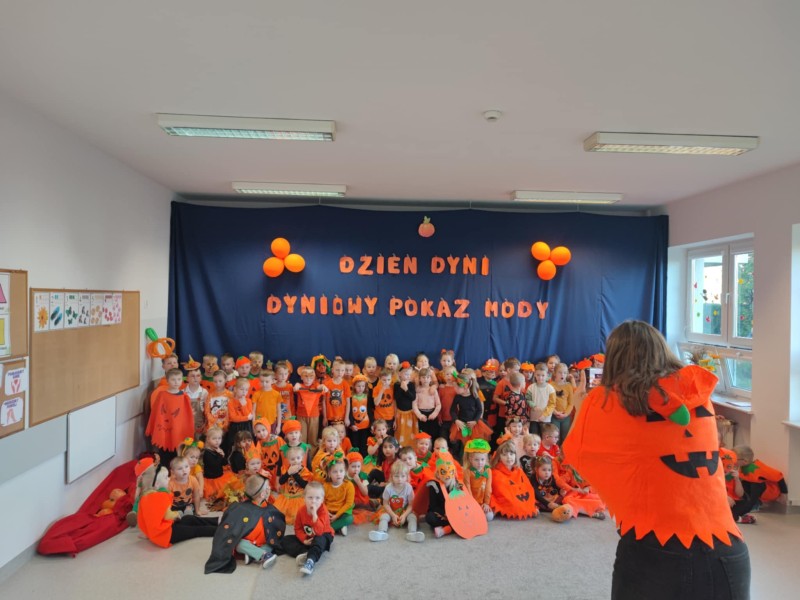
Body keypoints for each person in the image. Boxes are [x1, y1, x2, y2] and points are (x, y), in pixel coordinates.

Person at [563, 320, 750, 599]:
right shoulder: (699, 397)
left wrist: (581, 405)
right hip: (728, 548)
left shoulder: (607, 400)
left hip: (657, 547)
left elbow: (576, 454)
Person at [204, 474, 285, 573]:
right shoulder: (241, 509)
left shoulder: (269, 508)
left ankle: (252, 555)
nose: (270, 489)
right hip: (247, 542)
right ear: (263, 494)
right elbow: (229, 532)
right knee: (238, 544)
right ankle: (264, 555)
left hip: (264, 543)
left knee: (273, 543)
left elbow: (277, 527)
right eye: (268, 487)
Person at [136, 463, 218, 547]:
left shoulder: (144, 497)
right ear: (157, 484)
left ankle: (217, 522)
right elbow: (169, 515)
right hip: (167, 534)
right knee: (195, 530)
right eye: (166, 477)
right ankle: (219, 528)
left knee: (188, 518)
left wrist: (148, 534)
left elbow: (142, 520)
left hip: (162, 530)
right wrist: (176, 515)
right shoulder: (160, 496)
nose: (168, 479)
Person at [281, 481, 335, 577]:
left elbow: (319, 531)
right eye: (310, 497)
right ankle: (306, 553)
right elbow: (297, 528)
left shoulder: (323, 511)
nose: (313, 501)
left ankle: (310, 561)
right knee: (285, 540)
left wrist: (314, 515)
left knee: (319, 540)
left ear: (322, 500)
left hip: (324, 534)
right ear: (304, 498)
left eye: (317, 498)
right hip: (308, 537)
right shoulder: (301, 511)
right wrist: (304, 540)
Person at [145, 368, 194, 466]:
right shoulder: (162, 395)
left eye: (179, 379)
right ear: (167, 381)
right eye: (173, 379)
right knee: (164, 456)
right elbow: (156, 414)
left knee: (178, 456)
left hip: (178, 432)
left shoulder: (184, 397)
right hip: (165, 430)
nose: (176, 382)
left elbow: (187, 417)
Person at [369, 461, 425, 542]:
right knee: (384, 517)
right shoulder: (388, 488)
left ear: (407, 476)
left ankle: (412, 533)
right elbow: (385, 503)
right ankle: (381, 532)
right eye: (396, 476)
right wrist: (393, 515)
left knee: (412, 517)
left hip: (404, 511)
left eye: (403, 476)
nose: (400, 479)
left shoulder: (408, 487)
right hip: (391, 510)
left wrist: (404, 515)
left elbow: (411, 505)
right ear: (391, 477)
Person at [449, 368, 492, 460]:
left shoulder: (475, 396)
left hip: (474, 425)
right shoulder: (458, 397)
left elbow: (479, 410)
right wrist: (456, 420)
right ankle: (463, 461)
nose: (454, 389)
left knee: (474, 445)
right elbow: (452, 411)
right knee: (462, 446)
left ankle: (475, 460)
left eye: (456, 387)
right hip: (462, 425)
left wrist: (475, 421)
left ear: (465, 387)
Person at [489, 439, 538, 520]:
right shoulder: (495, 473)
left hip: (517, 495)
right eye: (505, 455)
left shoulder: (519, 471)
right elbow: (501, 492)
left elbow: (527, 487)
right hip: (504, 497)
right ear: (499, 457)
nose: (509, 457)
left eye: (511, 454)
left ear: (515, 456)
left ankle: (526, 508)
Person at [273, 445, 313, 525]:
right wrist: (288, 473)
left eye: (298, 458)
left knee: (297, 516)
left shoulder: (305, 471)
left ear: (302, 458)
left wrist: (294, 474)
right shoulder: (285, 469)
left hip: (299, 497)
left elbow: (304, 485)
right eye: (292, 459)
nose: (295, 461)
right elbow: (281, 481)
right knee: (277, 513)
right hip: (286, 497)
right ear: (288, 460)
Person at [293, 367, 329, 453]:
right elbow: (295, 388)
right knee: (301, 438)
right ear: (301, 377)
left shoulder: (316, 385)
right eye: (306, 376)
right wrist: (297, 385)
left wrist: (323, 386)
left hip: (314, 416)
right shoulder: (300, 386)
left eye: (311, 377)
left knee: (313, 439)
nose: (308, 379)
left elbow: (322, 387)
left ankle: (312, 457)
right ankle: (301, 457)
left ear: (314, 377)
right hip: (301, 416)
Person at [530, 455, 572, 522]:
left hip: (547, 495)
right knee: (532, 501)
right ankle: (536, 509)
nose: (547, 473)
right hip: (539, 498)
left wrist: (560, 491)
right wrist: (547, 504)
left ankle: (559, 508)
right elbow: (536, 493)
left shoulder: (551, 477)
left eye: (549, 470)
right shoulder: (533, 478)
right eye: (544, 470)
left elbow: (555, 487)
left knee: (562, 498)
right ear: (536, 469)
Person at [323, 454, 355, 535]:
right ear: (329, 473)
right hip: (328, 512)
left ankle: (327, 529)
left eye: (341, 471)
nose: (338, 474)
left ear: (345, 472)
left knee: (349, 518)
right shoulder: (325, 486)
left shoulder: (349, 485)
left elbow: (349, 503)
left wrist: (336, 516)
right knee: (316, 515)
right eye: (335, 472)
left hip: (342, 512)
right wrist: (326, 512)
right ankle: (339, 527)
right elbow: (321, 502)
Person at [462, 439, 493, 521]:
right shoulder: (468, 472)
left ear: (486, 459)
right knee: (468, 516)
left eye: (482, 460)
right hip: (470, 502)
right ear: (470, 459)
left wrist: (486, 503)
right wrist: (472, 503)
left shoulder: (488, 471)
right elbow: (467, 489)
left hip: (482, 502)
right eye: (476, 460)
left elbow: (488, 488)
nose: (480, 463)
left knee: (489, 516)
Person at [525, 362, 556, 436]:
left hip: (545, 419)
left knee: (545, 437)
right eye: (538, 375)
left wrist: (544, 415)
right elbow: (527, 399)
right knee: (534, 436)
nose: (540, 377)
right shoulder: (531, 387)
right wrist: (533, 405)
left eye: (543, 375)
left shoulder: (550, 389)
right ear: (535, 374)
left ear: (547, 375)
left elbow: (552, 404)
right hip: (534, 418)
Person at [393, 363, 418, 448]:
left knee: (410, 433)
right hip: (400, 414)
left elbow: (413, 397)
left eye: (409, 374)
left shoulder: (411, 385)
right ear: (399, 374)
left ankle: (411, 448)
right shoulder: (396, 385)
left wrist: (406, 389)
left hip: (410, 414)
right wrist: (401, 387)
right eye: (406, 374)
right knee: (401, 432)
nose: (408, 376)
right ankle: (401, 448)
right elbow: (396, 397)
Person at [550, 362, 575, 442]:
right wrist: (555, 412)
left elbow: (571, 403)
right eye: (560, 372)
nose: (562, 375)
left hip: (565, 417)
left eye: (564, 373)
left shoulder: (568, 386)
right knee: (555, 438)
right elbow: (549, 403)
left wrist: (566, 414)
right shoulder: (550, 386)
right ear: (555, 373)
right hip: (554, 416)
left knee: (566, 437)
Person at [183, 359, 208, 438]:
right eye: (192, 376)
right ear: (187, 378)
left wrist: (205, 424)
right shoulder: (182, 393)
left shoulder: (204, 393)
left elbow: (207, 411)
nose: (195, 378)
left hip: (199, 426)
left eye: (198, 376)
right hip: (185, 426)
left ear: (201, 378)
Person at [323, 359, 351, 428]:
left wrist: (347, 417)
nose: (340, 372)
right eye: (337, 370)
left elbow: (348, 402)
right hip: (330, 417)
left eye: (342, 370)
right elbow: (324, 401)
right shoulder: (326, 384)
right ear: (332, 370)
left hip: (342, 417)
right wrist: (324, 417)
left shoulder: (345, 384)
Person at [253, 369, 282, 434]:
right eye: (262, 381)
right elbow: (253, 411)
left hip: (272, 423)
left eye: (267, 381)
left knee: (272, 439)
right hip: (259, 424)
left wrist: (278, 426)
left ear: (272, 381)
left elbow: (279, 411)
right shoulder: (256, 394)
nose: (264, 384)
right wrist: (253, 426)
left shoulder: (276, 394)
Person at [348, 374, 371, 453]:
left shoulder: (367, 396)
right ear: (354, 386)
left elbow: (369, 410)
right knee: (355, 443)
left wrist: (371, 423)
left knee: (364, 443)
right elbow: (349, 411)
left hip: (365, 424)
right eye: (358, 386)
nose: (361, 388)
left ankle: (363, 457)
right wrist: (351, 424)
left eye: (363, 386)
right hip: (355, 425)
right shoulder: (351, 397)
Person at [372, 369, 396, 436]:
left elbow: (395, 404)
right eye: (384, 380)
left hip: (390, 418)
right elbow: (376, 403)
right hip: (379, 418)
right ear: (380, 379)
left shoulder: (392, 388)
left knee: (389, 438)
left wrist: (395, 420)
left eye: (388, 380)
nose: (386, 382)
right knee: (379, 437)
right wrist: (381, 391)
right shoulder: (376, 388)